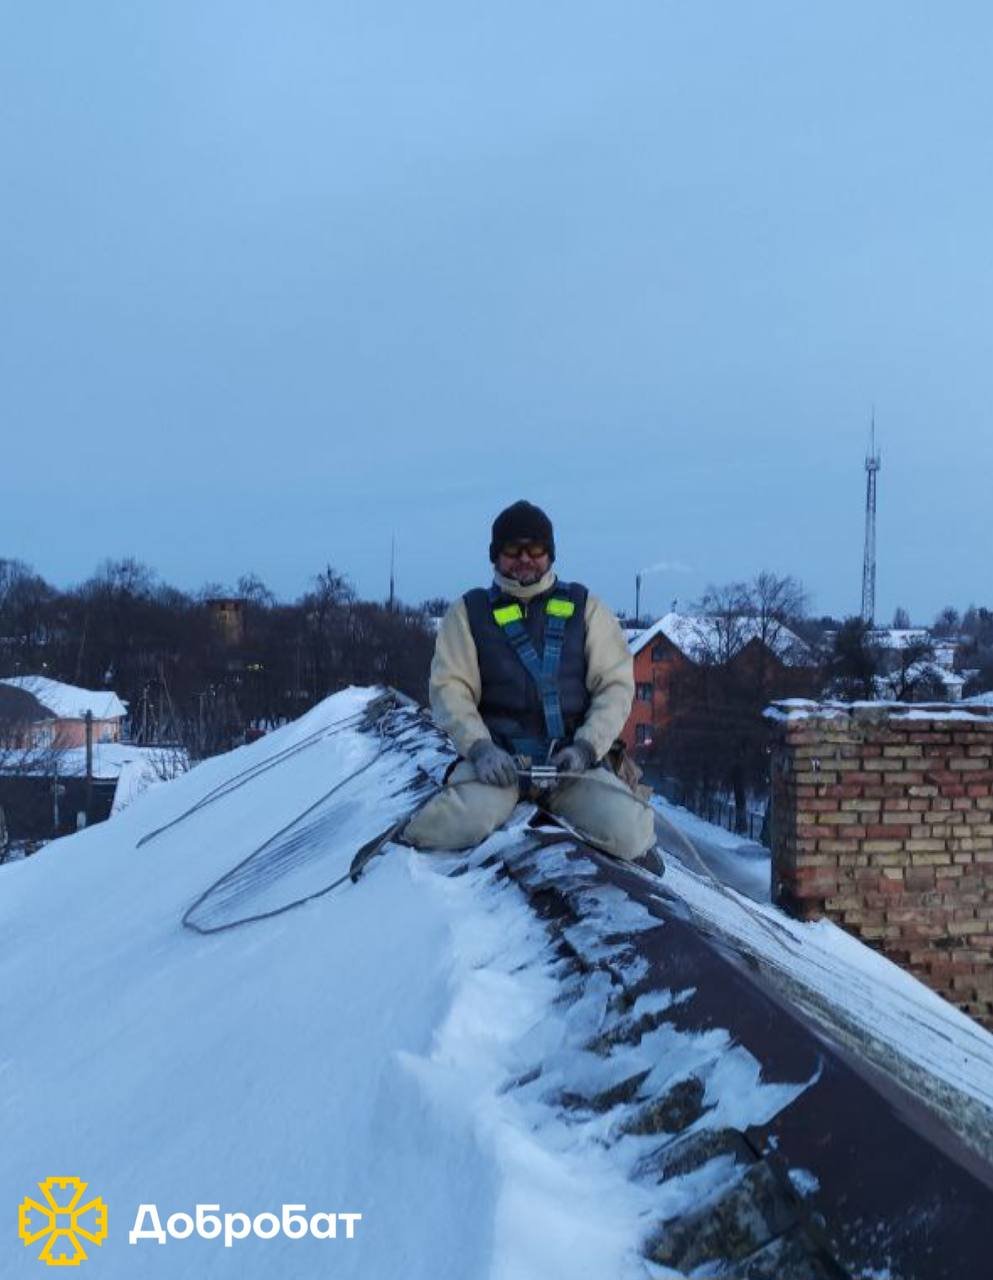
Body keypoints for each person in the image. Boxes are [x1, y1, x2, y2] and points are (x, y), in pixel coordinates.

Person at [403, 500, 656, 863]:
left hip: (570, 766)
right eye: (512, 549)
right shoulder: (468, 613)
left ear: (550, 554)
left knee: (630, 832)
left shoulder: (586, 608)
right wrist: (479, 748)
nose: (524, 558)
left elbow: (615, 687)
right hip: (499, 766)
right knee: (458, 822)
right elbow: (450, 689)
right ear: (495, 556)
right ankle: (401, 842)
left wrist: (585, 749)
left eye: (535, 548)